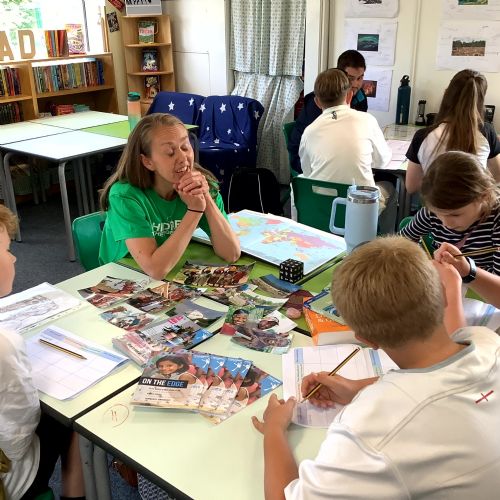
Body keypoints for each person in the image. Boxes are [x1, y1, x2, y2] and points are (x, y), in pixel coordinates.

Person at [252, 236, 500, 499]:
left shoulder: (371, 427)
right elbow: (440, 379)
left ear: (366, 340)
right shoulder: (488, 342)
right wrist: (357, 387)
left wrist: (274, 431)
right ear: (445, 294)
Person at [0, 205, 85, 500]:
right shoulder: (4, 344)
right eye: (6, 250)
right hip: (9, 478)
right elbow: (17, 441)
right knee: (74, 418)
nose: (13, 257)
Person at [99, 113, 240, 280]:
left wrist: (205, 198)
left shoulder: (201, 183)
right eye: (170, 152)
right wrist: (195, 210)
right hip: (124, 275)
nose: (183, 158)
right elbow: (155, 270)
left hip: (172, 267)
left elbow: (231, 253)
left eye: (185, 147)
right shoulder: (125, 196)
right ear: (148, 162)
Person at [299, 68, 397, 234]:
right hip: (359, 208)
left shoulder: (309, 131)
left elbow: (308, 173)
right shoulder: (367, 120)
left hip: (322, 207)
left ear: (317, 102)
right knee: (390, 188)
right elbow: (382, 162)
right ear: (349, 95)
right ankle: (383, 241)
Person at [400, 151, 500, 295]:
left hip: (484, 298)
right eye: (438, 214)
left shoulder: (496, 218)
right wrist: (422, 263)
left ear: (483, 196)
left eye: (455, 214)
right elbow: (401, 242)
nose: (446, 223)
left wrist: (467, 271)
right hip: (446, 290)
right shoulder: (431, 212)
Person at [405, 69, 500, 193]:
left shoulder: (423, 136)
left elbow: (411, 187)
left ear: (446, 94)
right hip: (475, 204)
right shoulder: (487, 132)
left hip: (436, 204)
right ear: (481, 101)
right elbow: (497, 177)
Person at [288, 50, 368, 174]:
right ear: (341, 75)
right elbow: (312, 145)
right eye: (351, 79)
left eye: (360, 78)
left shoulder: (360, 97)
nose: (356, 84)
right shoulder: (321, 100)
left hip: (340, 158)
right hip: (309, 162)